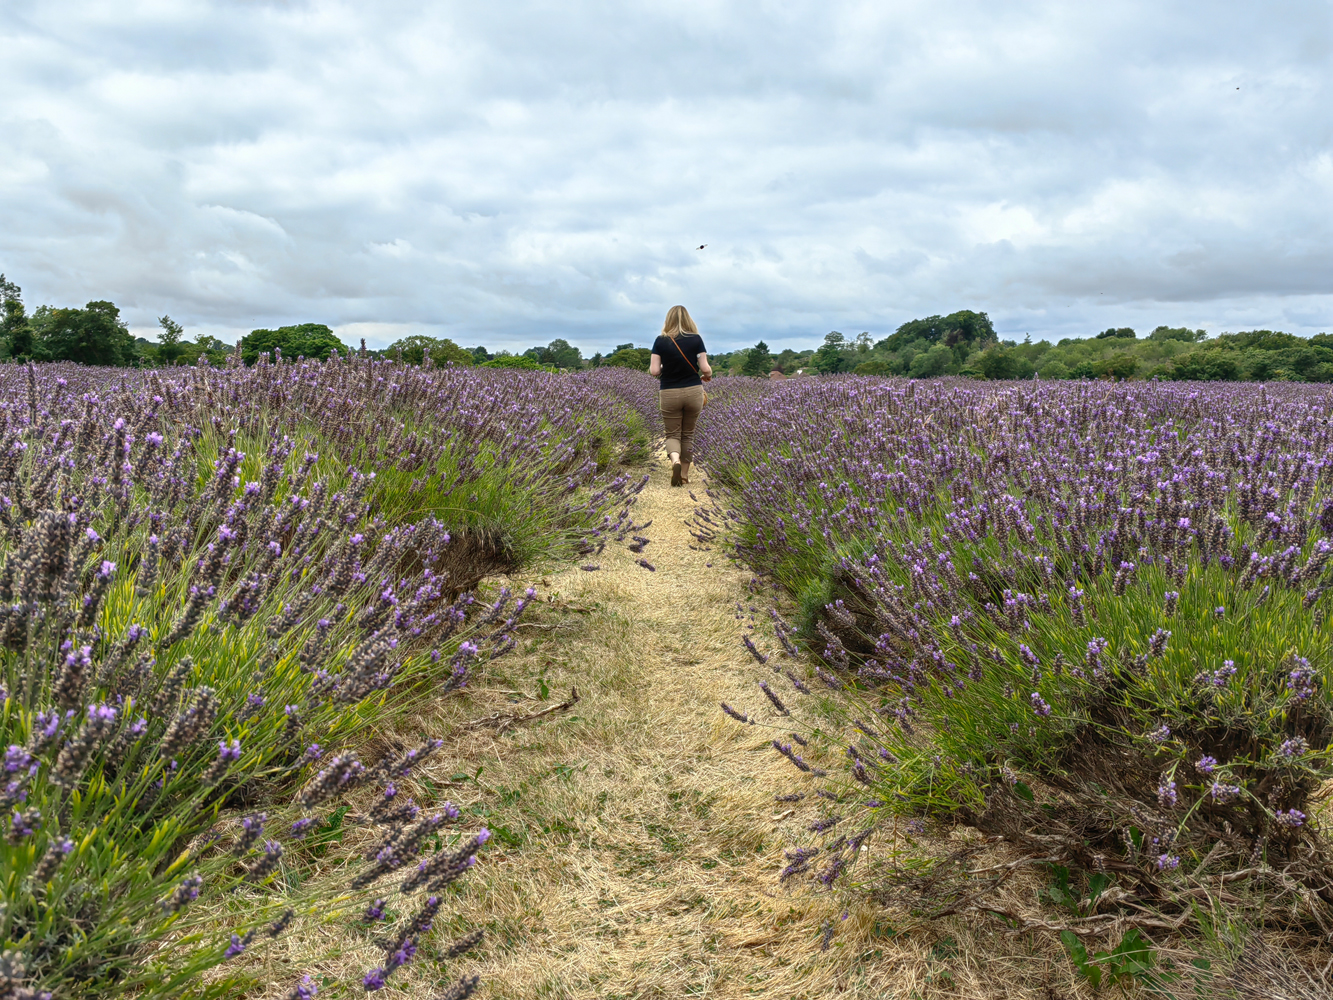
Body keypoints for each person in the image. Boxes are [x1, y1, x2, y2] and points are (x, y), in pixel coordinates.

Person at [648, 305, 712, 487]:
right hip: (693, 391)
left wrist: (666, 366)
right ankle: (684, 475)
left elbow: (654, 371)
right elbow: (705, 368)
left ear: (668, 320)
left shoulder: (660, 341)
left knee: (672, 434)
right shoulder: (696, 340)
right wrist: (708, 375)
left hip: (669, 392)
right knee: (688, 435)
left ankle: (674, 461)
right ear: (688, 319)